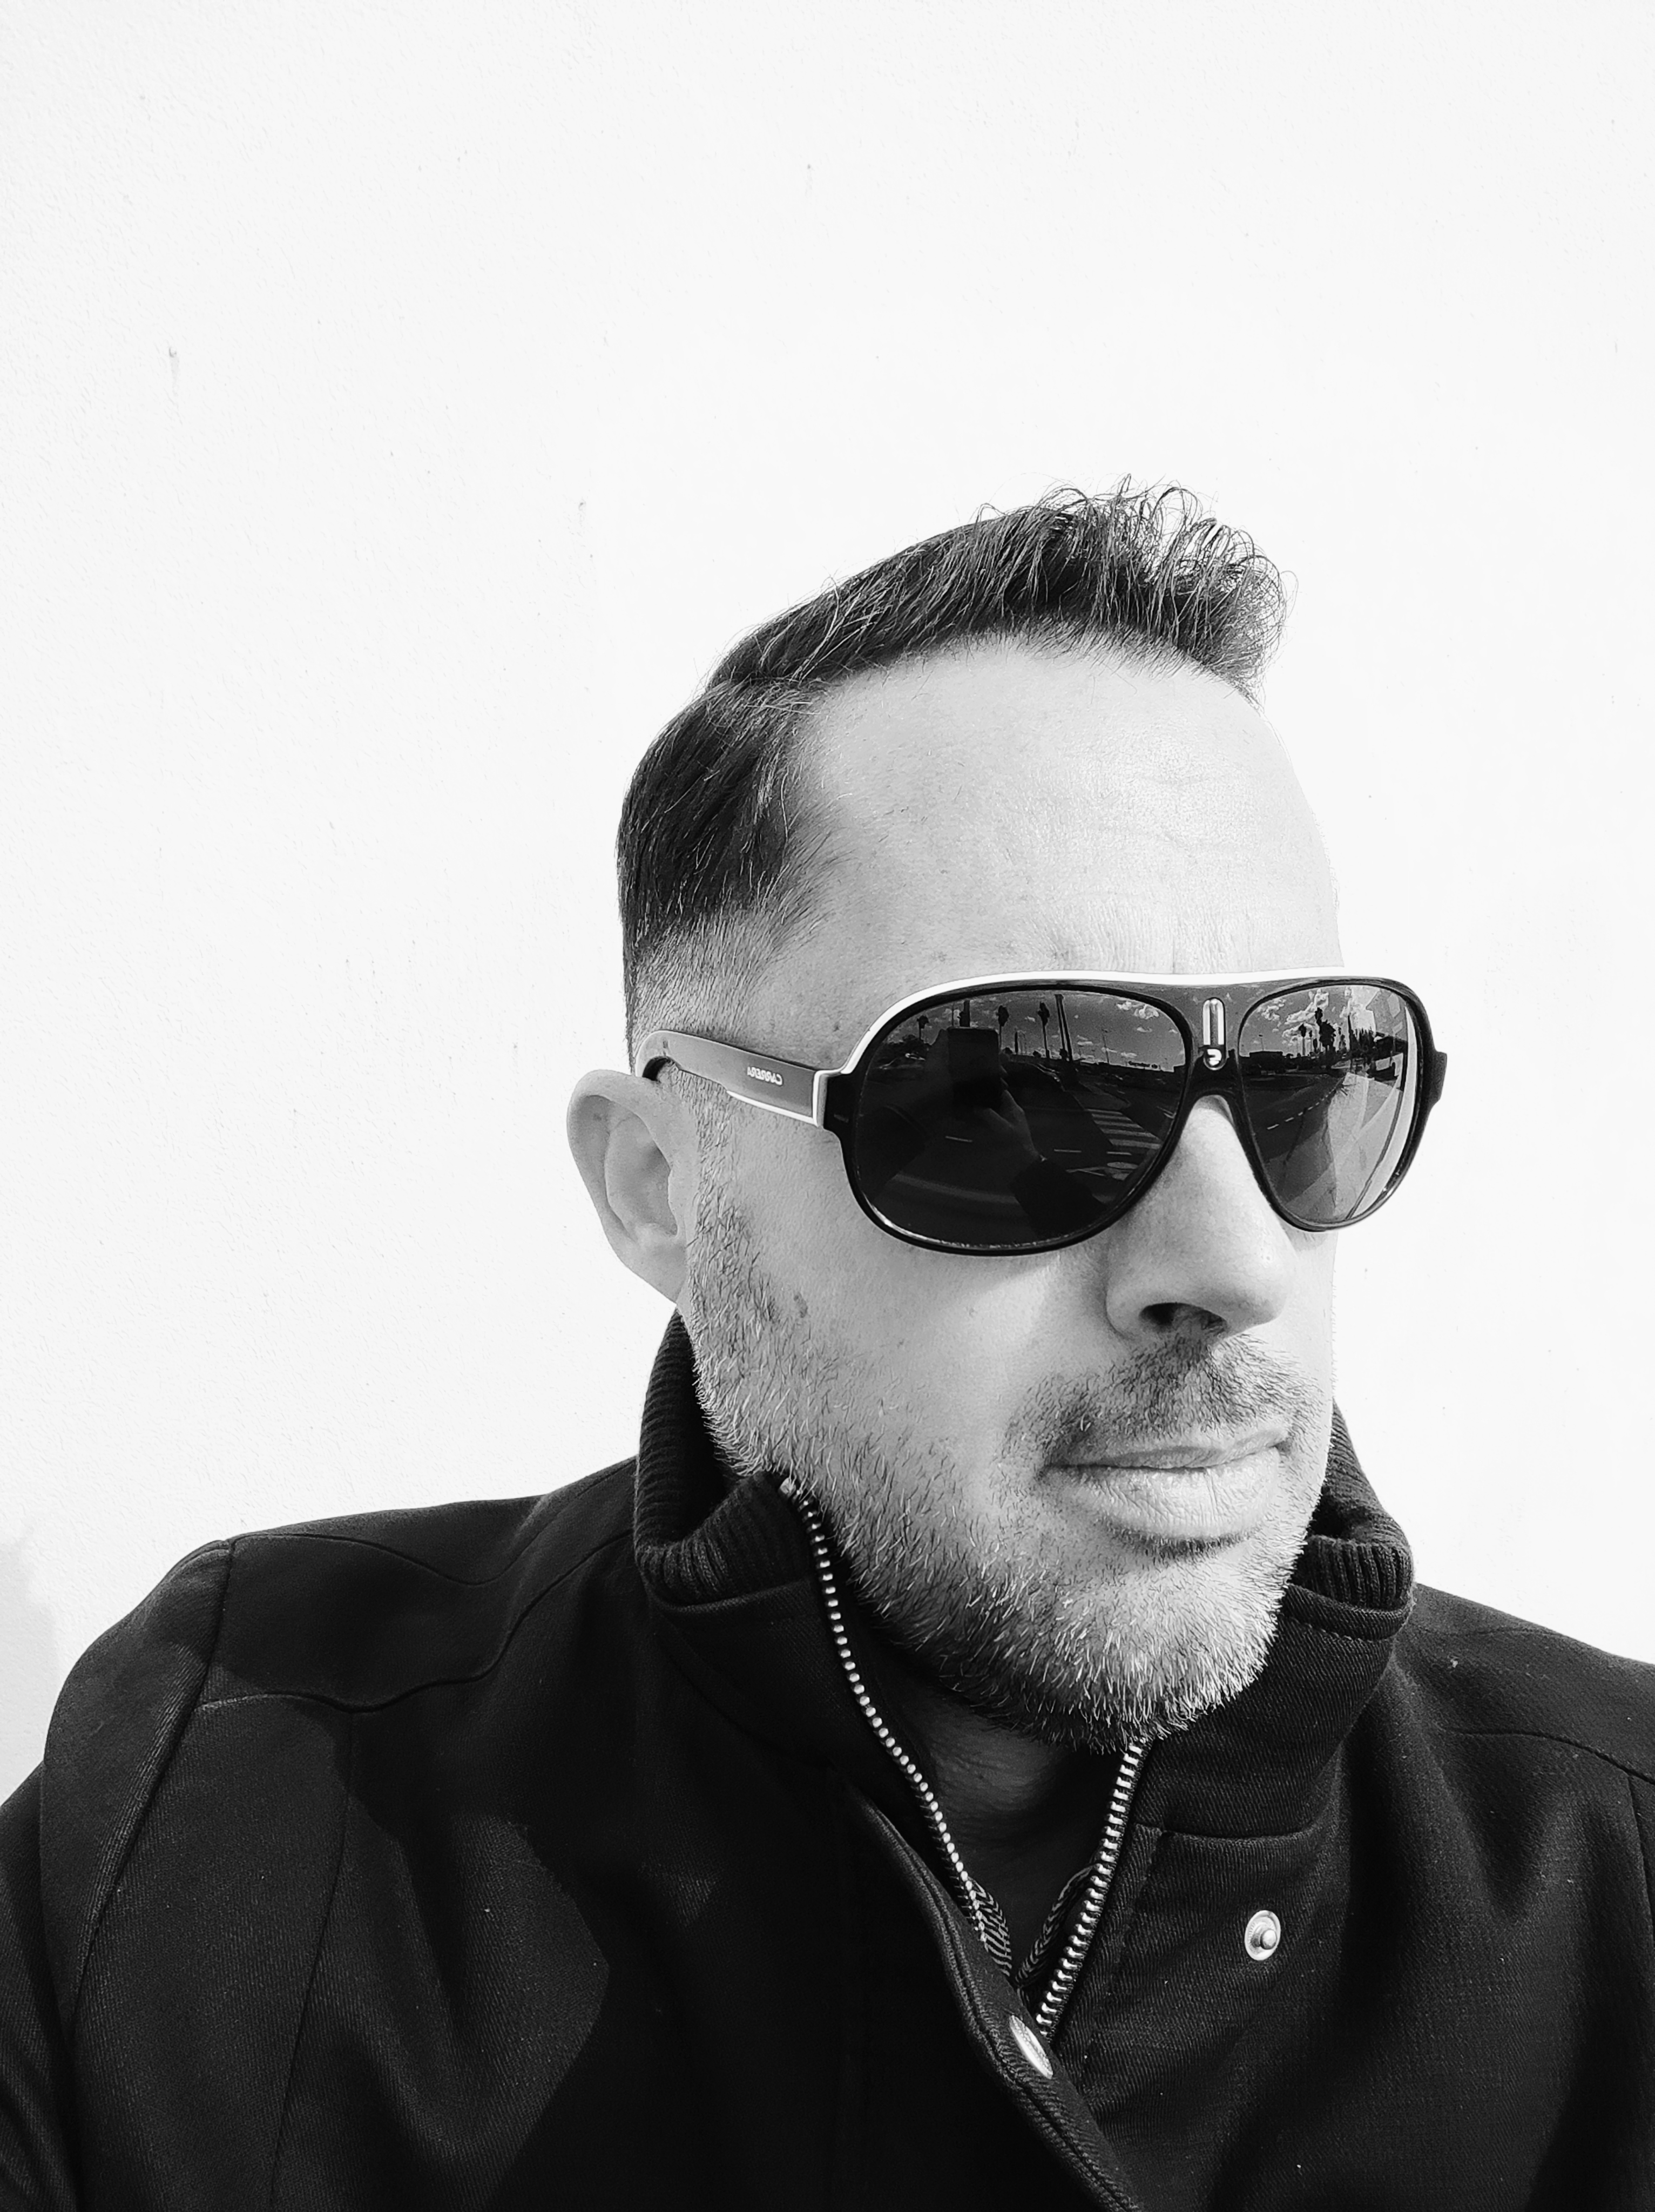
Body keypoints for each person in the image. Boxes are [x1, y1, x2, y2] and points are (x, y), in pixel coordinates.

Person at [2, 488, 1651, 2210]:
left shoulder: (1615, 1888)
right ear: (661, 1185)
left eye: (1311, 1074)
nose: (1235, 1262)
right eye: (1021, 1096)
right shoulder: (221, 1822)